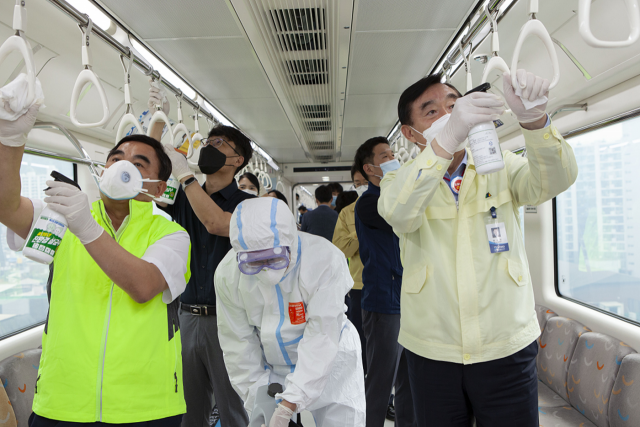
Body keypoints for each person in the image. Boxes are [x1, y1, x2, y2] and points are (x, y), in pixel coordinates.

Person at [378, 70, 578, 427]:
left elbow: (555, 180)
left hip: (506, 344)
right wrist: (448, 139)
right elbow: (399, 212)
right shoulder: (399, 179)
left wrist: (534, 122)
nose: (450, 116)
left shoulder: (498, 164)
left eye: (455, 106)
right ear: (410, 134)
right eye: (432, 112)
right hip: (432, 350)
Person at [0, 103, 191, 426]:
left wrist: (86, 227)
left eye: (138, 163)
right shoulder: (61, 217)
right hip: (63, 401)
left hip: (145, 406)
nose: (121, 166)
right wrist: (11, 139)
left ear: (159, 189)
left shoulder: (170, 234)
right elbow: (6, 205)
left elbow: (143, 286)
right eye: (115, 159)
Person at [149, 85, 253, 427]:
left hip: (229, 321)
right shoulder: (183, 196)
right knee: (187, 412)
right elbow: (146, 184)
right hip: (186, 316)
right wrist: (157, 125)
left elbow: (213, 223)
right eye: (207, 143)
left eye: (219, 144)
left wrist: (186, 175)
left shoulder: (247, 206)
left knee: (233, 410)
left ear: (237, 161)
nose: (209, 148)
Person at [215, 197, 366, 427]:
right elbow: (238, 344)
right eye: (254, 262)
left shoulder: (323, 259)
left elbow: (321, 337)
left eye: (274, 258)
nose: (266, 270)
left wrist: (290, 403)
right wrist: (257, 395)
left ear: (291, 242)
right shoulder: (228, 274)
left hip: (332, 360)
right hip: (273, 365)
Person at [353, 137, 415, 427]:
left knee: (407, 378)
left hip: (406, 298)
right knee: (380, 380)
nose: (392, 158)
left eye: (393, 153)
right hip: (383, 300)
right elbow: (401, 215)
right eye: (385, 156)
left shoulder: (394, 197)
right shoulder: (368, 203)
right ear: (370, 168)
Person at [332, 172, 366, 374]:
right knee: (360, 339)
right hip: (359, 284)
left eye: (365, 183)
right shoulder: (348, 213)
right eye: (357, 183)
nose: (362, 187)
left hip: (395, 283)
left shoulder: (394, 204)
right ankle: (361, 383)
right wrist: (361, 228)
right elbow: (343, 250)